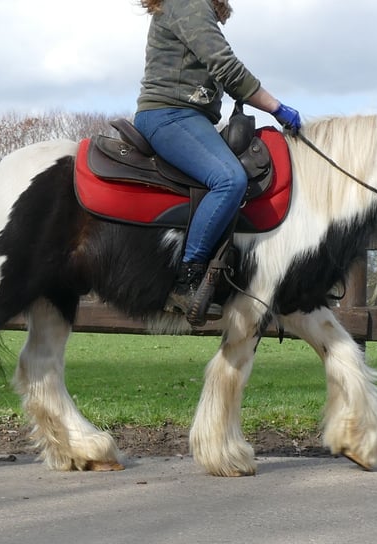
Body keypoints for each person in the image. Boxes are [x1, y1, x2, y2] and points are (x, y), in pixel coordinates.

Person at [134, 0, 301, 321]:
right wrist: (276, 107)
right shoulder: (188, 3)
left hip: (189, 115)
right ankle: (187, 280)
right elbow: (224, 65)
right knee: (229, 179)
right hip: (171, 114)